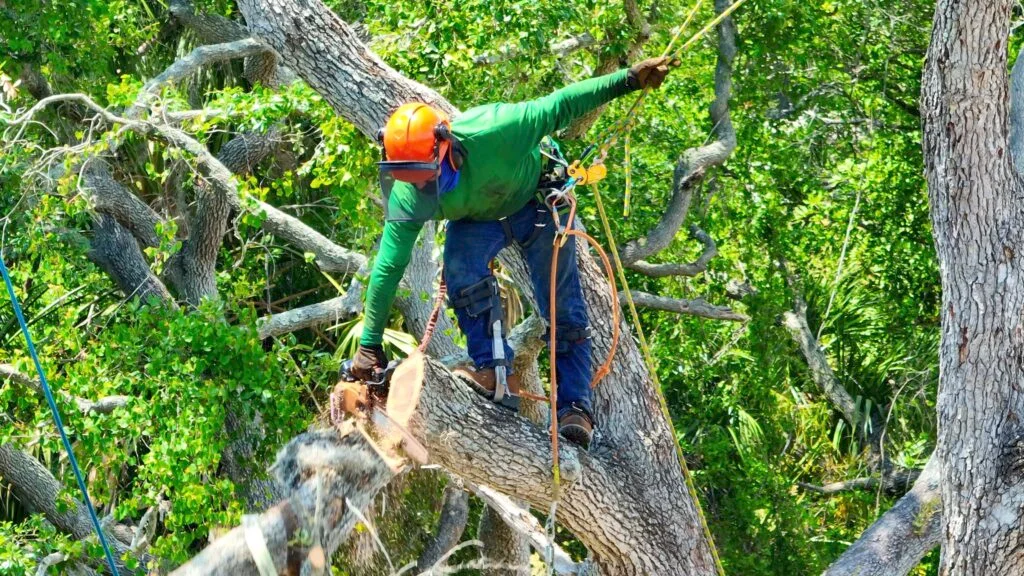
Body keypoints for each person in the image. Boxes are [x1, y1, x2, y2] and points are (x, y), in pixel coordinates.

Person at [350, 57, 672, 449]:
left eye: (424, 174)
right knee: (462, 270)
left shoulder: (497, 129)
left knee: (561, 304)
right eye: (408, 178)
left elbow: (561, 104)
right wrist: (368, 347)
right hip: (476, 221)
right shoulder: (406, 189)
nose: (418, 186)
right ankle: (494, 371)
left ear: (445, 145)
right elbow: (388, 267)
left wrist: (628, 80)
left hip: (534, 203)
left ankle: (575, 407)